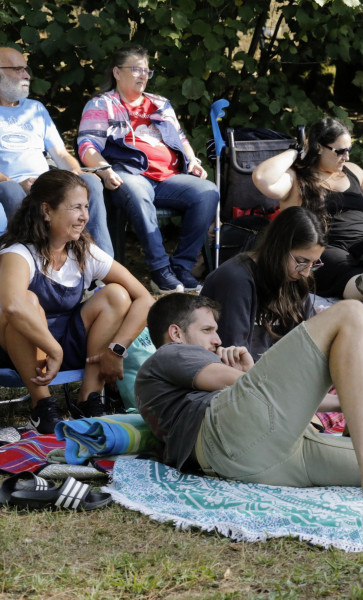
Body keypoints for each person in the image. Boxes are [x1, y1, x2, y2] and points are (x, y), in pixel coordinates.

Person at [136, 293, 363, 528]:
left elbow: (283, 394)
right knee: (349, 312)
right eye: (207, 330)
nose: (217, 338)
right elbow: (224, 380)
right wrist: (254, 375)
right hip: (227, 432)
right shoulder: (170, 354)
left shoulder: (180, 366)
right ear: (176, 333)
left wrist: (357, 399)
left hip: (271, 458)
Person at [0, 170, 154, 433]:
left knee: (116, 295)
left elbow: (145, 299)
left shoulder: (83, 251)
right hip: (22, 348)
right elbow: (11, 306)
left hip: (67, 344)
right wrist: (53, 349)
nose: (84, 216)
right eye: (76, 208)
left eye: (86, 207)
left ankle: (89, 399)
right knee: (26, 300)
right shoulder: (18, 253)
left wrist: (117, 349)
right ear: (47, 211)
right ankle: (43, 406)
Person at [77, 44, 219, 293]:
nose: (143, 75)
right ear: (117, 73)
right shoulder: (102, 104)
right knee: (137, 190)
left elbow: (181, 139)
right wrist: (103, 169)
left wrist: (192, 160)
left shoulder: (160, 103)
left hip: (169, 179)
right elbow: (87, 145)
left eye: (147, 71)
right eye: (136, 69)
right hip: (129, 174)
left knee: (207, 191)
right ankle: (160, 269)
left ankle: (181, 267)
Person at [252, 117, 363, 301]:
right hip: (326, 245)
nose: (346, 157)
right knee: (334, 268)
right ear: (319, 147)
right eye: (340, 151)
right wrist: (296, 151)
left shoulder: (353, 170)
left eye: (348, 150)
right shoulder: (296, 179)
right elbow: (261, 178)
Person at [0, 47, 111, 254]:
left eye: (26, 69)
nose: (26, 75)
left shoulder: (35, 109)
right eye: (18, 69)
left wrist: (76, 173)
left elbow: (60, 153)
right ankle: (28, 263)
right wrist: (14, 183)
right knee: (11, 191)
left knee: (90, 183)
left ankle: (100, 265)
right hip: (7, 185)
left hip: (44, 184)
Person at [200, 207, 325, 362]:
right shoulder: (235, 280)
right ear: (278, 246)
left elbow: (312, 337)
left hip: (284, 369)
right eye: (301, 261)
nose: (306, 272)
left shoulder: (294, 279)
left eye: (314, 263)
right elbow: (234, 356)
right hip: (247, 375)